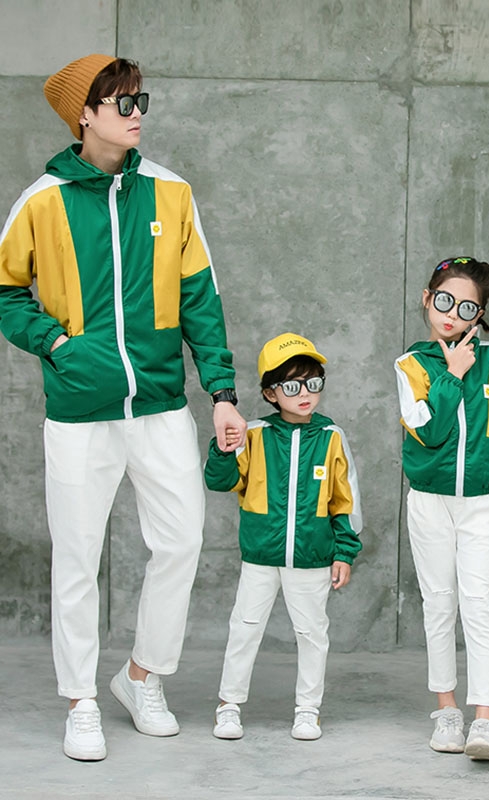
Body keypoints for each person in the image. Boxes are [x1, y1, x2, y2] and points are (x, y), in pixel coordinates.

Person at [0, 54, 246, 761]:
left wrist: (222, 394)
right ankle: (80, 699)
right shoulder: (42, 200)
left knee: (183, 541)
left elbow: (201, 299)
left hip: (160, 405)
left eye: (141, 100)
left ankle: (141, 676)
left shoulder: (171, 193)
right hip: (80, 411)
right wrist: (58, 345)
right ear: (84, 115)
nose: (137, 113)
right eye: (122, 102)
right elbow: (7, 292)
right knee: (78, 556)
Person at [394, 257, 489, 760]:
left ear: (478, 315)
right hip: (429, 503)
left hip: (481, 503)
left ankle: (484, 719)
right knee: (439, 604)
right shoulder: (410, 365)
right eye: (444, 301)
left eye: (466, 308)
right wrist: (453, 374)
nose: (451, 315)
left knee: (478, 605)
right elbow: (430, 431)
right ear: (426, 299)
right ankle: (447, 711)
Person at [204, 332, 362, 741]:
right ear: (270, 393)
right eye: (292, 386)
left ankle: (308, 710)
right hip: (260, 555)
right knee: (244, 628)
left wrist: (344, 552)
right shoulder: (254, 434)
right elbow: (220, 481)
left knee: (312, 635)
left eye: (313, 383)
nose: (305, 394)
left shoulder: (331, 437)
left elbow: (345, 502)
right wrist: (223, 448)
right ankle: (228, 705)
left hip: (312, 558)